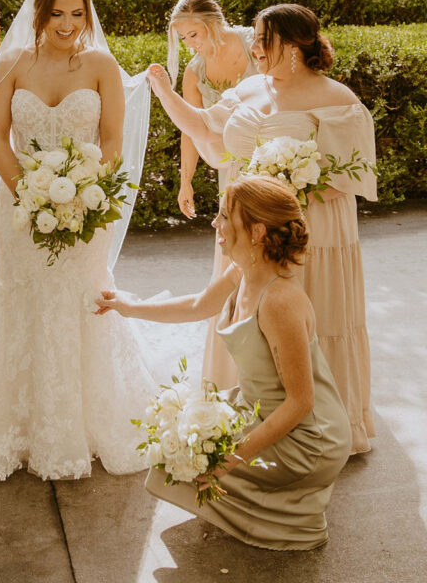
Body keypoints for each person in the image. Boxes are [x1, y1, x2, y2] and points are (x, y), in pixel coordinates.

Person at [147, 3, 376, 454]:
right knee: (244, 316)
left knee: (317, 316)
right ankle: (246, 419)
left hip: (314, 230)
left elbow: (350, 176)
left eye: (262, 39)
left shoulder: (339, 99)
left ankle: (322, 424)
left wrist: (291, 181)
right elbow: (202, 128)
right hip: (247, 229)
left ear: (292, 46)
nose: (254, 48)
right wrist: (163, 92)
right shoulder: (249, 89)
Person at [0, 0, 154, 480]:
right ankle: (15, 428)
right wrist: (26, 188)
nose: (67, 23)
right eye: (57, 12)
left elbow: (111, 140)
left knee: (78, 300)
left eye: (76, 12)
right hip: (19, 204)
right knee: (24, 299)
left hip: (85, 204)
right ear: (40, 11)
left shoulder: (100, 67)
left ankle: (84, 425)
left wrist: (88, 190)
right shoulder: (13, 62)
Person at [96, 176, 352, 550]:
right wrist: (127, 306)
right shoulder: (242, 272)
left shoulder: (280, 301)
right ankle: (273, 508)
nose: (215, 224)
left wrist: (229, 459)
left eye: (223, 216)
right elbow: (199, 306)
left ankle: (288, 514)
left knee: (188, 458)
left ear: (257, 231)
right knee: (173, 448)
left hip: (308, 438)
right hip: (259, 410)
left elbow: (301, 403)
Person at [167, 0, 257, 389]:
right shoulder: (194, 72)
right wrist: (186, 180)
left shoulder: (257, 43)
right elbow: (191, 128)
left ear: (214, 22)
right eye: (184, 39)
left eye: (194, 34)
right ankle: (235, 367)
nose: (191, 44)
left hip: (274, 156)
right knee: (237, 251)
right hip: (233, 170)